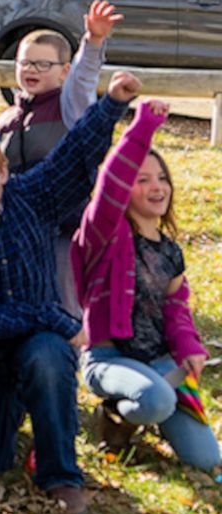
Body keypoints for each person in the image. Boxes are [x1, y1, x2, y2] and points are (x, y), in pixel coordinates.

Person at [0, 72, 141, 514]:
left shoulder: (31, 195)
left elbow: (74, 153)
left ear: (3, 172)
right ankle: (11, 417)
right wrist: (56, 318)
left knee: (47, 355)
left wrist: (113, 103)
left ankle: (61, 475)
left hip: (34, 345)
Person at [73, 100, 219, 473]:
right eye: (142, 180)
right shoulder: (105, 234)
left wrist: (188, 347)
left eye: (161, 178)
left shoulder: (170, 251)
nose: (157, 186)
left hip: (161, 363)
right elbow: (110, 182)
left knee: (207, 460)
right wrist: (145, 127)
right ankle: (116, 415)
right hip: (109, 358)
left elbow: (177, 308)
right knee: (155, 401)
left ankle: (149, 403)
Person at [0, 0, 119, 318]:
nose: (31, 70)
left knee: (64, 303)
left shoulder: (70, 107)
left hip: (62, 227)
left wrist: (92, 43)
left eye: (42, 64)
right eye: (24, 63)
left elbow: (84, 79)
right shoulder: (7, 119)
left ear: (63, 71)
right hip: (18, 227)